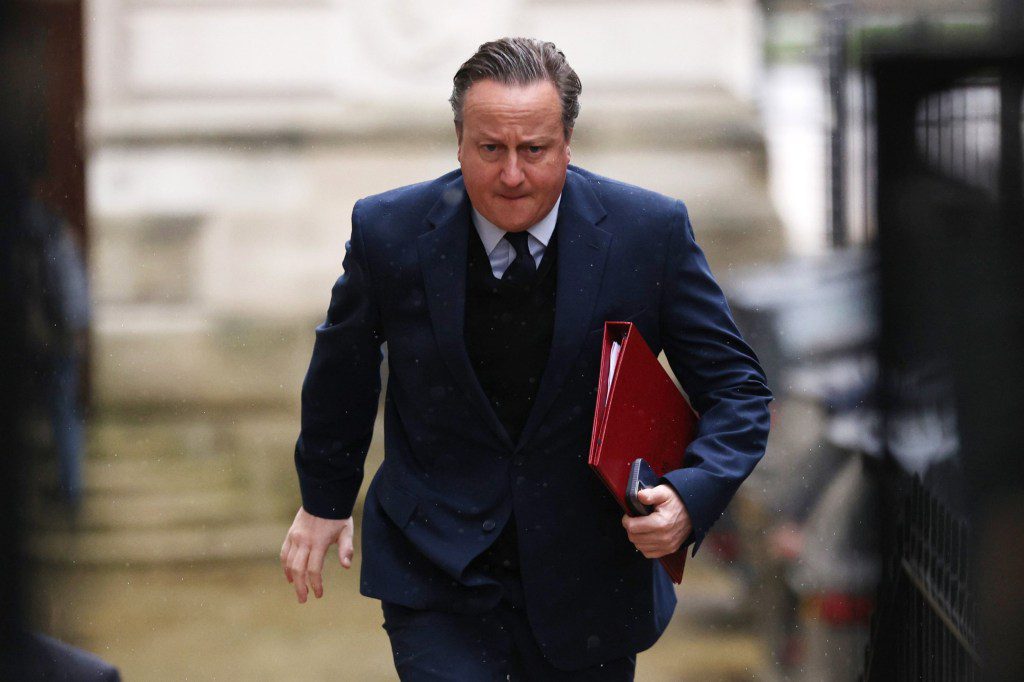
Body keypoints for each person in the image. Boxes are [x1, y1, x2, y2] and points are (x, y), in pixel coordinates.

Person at [280, 37, 772, 680]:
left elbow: (738, 390)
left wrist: (688, 496)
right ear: (459, 143)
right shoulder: (388, 231)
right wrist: (325, 498)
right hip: (436, 570)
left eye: (534, 150)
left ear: (568, 144)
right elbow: (341, 370)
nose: (512, 175)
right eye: (491, 150)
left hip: (590, 577)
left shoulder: (648, 233)